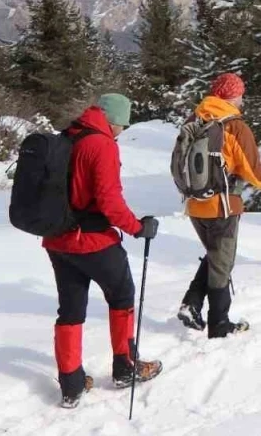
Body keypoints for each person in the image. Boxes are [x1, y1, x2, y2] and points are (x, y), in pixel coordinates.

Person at [42, 93, 162, 409]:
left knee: (70, 309)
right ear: (114, 120)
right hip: (92, 240)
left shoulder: (68, 135)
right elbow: (109, 202)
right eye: (122, 123)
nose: (122, 130)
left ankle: (71, 383)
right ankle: (125, 367)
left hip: (58, 240)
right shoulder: (102, 144)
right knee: (122, 295)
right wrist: (137, 227)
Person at [176, 73, 261, 338]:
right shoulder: (234, 126)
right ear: (232, 96)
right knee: (222, 264)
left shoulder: (194, 119)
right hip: (222, 206)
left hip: (194, 204)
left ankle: (192, 303)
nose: (242, 100)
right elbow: (254, 173)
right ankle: (219, 326)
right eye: (240, 94)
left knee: (215, 256)